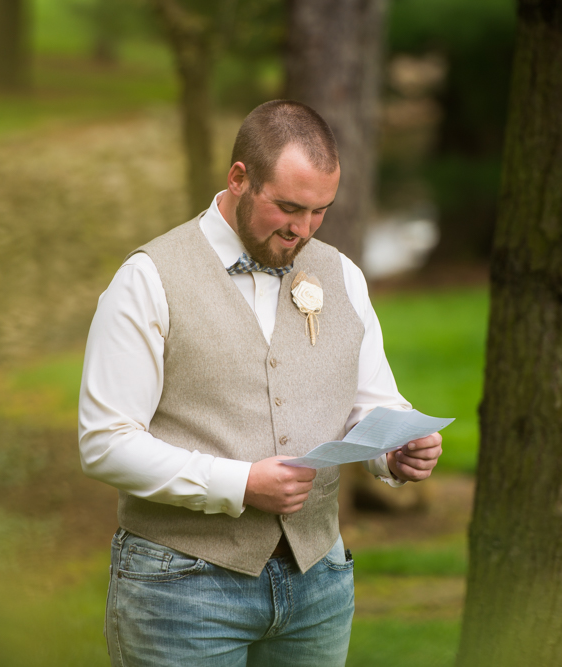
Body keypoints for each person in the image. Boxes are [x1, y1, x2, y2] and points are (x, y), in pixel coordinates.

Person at [78, 100, 443, 667]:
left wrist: (394, 450)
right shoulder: (148, 279)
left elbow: (371, 403)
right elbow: (105, 443)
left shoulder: (341, 274)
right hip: (182, 588)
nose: (303, 230)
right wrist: (239, 483)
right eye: (288, 208)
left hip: (319, 582)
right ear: (239, 178)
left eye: (320, 210)